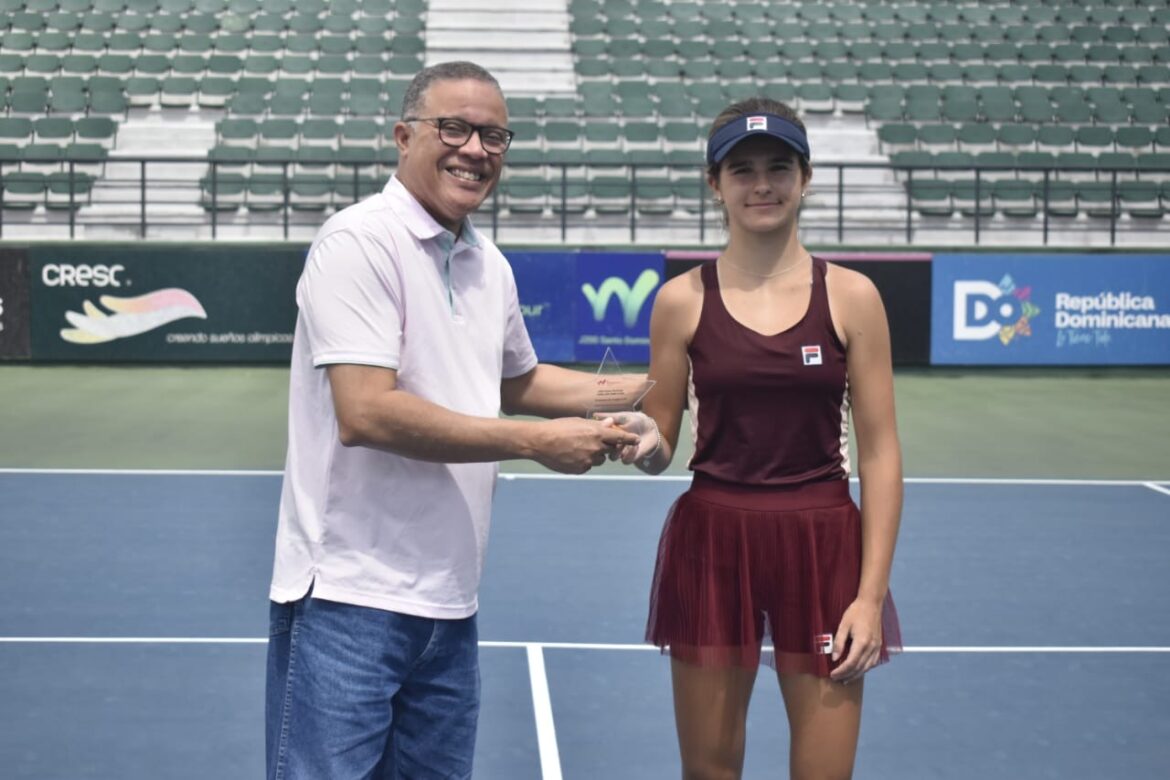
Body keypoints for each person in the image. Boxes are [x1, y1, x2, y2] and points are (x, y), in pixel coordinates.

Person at [265, 61, 639, 780]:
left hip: (449, 604)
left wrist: (646, 395)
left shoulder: (487, 263)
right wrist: (535, 443)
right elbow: (366, 412)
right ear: (405, 137)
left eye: (494, 135)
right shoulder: (357, 243)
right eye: (455, 128)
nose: (476, 149)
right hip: (349, 599)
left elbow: (520, 380)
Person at [606, 98, 904, 779]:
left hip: (823, 545)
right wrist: (641, 441)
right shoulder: (680, 299)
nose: (761, 185)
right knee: (709, 771)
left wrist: (868, 596)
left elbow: (883, 456)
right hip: (713, 543)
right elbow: (664, 445)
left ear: (805, 177)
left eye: (778, 167)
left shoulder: (853, 296)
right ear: (715, 183)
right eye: (742, 170)